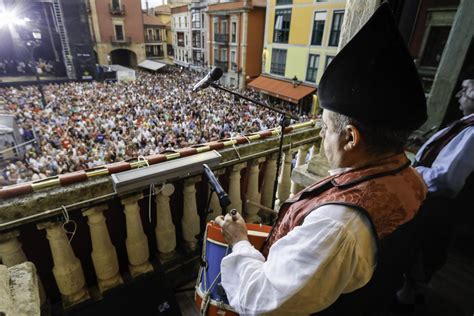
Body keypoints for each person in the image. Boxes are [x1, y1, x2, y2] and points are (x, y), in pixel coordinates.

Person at [215, 3, 428, 315]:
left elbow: (260, 301)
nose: (321, 135)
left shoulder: (336, 227)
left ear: (350, 138)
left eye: (326, 127)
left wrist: (239, 243)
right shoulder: (411, 177)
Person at [396, 79, 474, 305]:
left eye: (467, 90)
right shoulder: (465, 124)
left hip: (436, 205)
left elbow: (446, 178)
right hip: (430, 201)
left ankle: (406, 299)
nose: (459, 94)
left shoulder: (471, 133)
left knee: (421, 249)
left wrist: (409, 171)